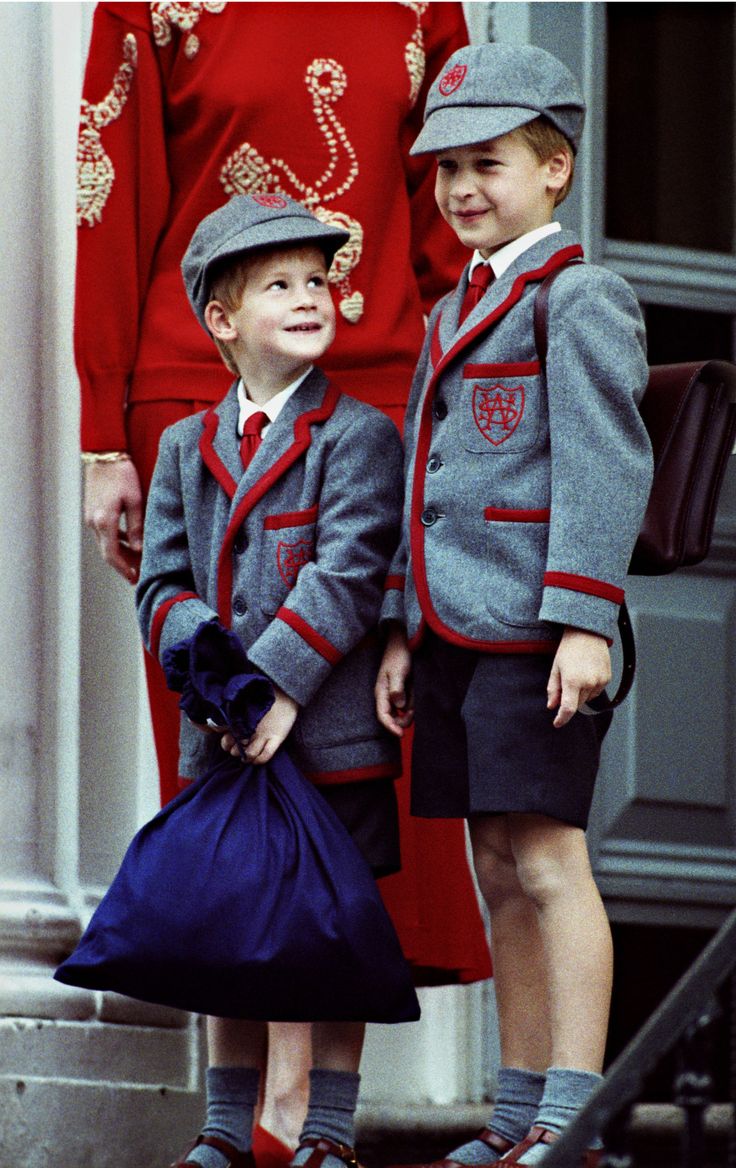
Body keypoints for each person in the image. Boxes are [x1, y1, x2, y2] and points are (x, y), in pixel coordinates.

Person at [75, 5, 491, 1159]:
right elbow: (111, 196)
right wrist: (103, 427)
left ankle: (310, 1115)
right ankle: (248, 1112)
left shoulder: (423, 4)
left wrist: (473, 398)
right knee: (224, 796)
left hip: (388, 387)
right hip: (195, 383)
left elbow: (446, 212)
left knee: (357, 783)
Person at [375, 42, 654, 1167]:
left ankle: (572, 1113)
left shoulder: (579, 296)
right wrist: (400, 627)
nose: (459, 190)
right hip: (451, 632)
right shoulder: (450, 312)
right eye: (444, 170)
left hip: (537, 633)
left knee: (548, 859)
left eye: (485, 163)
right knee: (493, 862)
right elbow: (420, 477)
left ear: (555, 170)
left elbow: (604, 460)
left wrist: (585, 617)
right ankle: (516, 1108)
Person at [135, 193, 409, 1168]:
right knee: (228, 931)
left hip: (326, 729)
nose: (310, 296)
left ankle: (327, 1132)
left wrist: (276, 688)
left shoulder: (360, 435)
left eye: (318, 280)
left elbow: (346, 572)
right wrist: (213, 679)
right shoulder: (181, 448)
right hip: (222, 734)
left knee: (333, 934)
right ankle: (222, 1127)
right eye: (280, 284)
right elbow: (161, 581)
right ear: (221, 318)